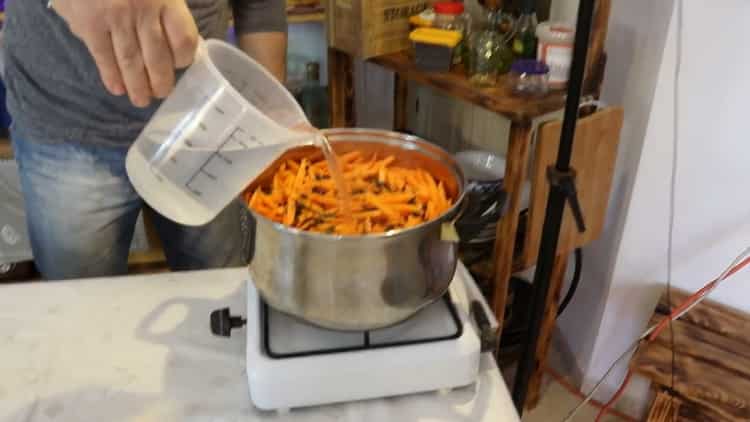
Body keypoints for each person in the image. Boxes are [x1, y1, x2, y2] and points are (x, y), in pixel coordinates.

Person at [4, 0, 287, 280]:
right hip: (66, 122)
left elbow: (261, 6)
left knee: (219, 291)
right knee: (79, 305)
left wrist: (270, 115)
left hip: (206, 126)